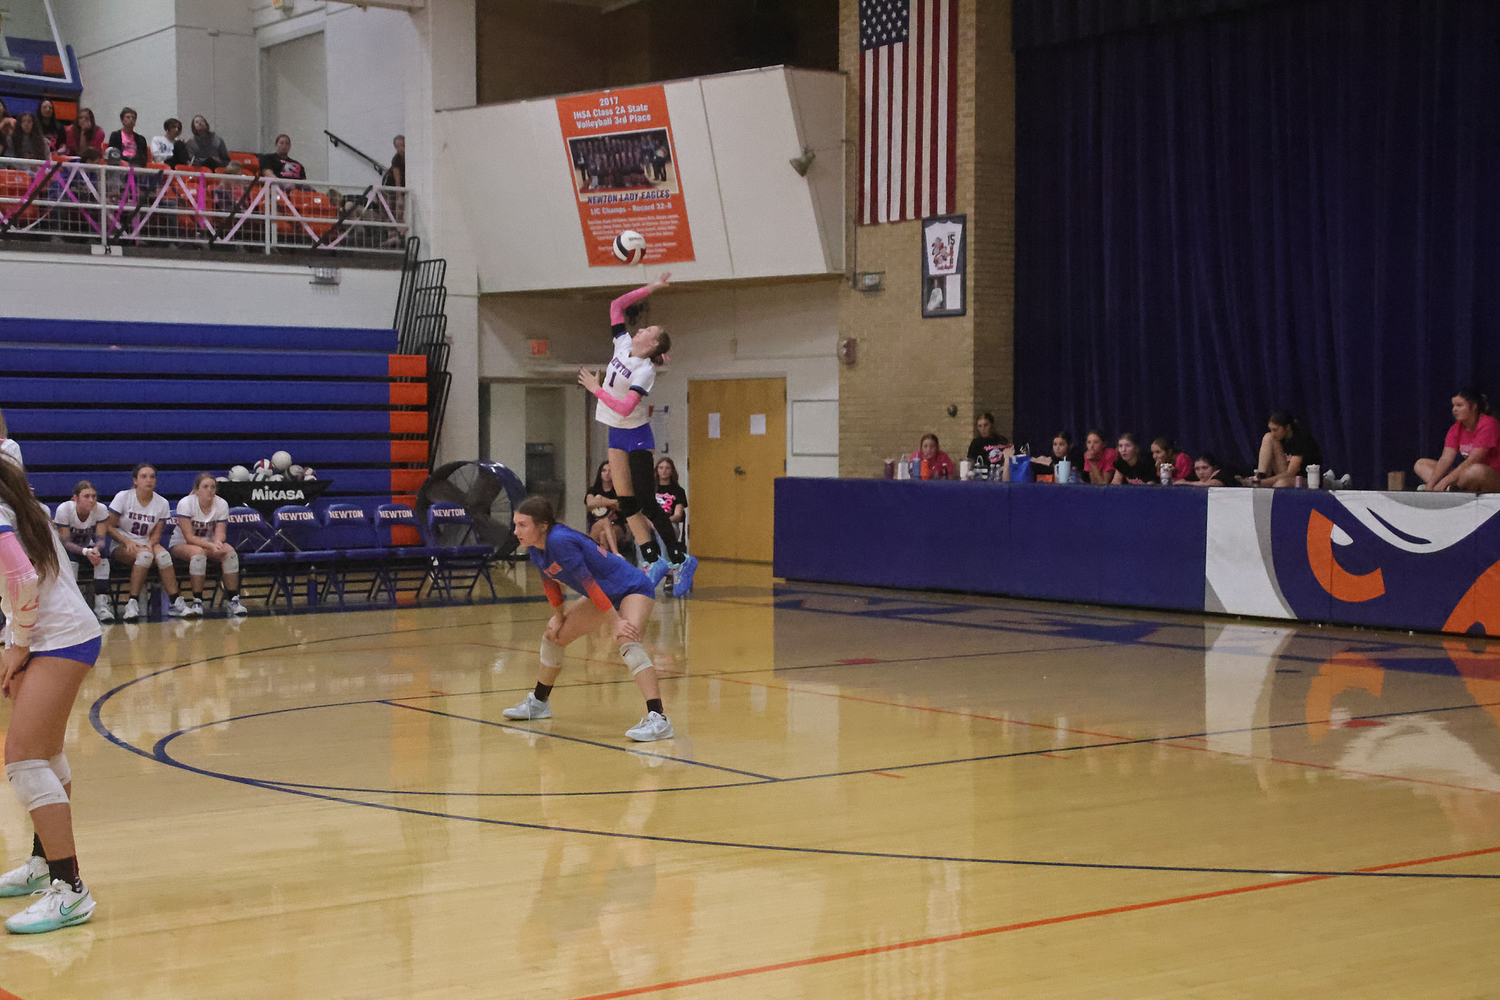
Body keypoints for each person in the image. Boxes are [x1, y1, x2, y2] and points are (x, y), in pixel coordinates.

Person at [0, 454, 102, 933]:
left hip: (58, 639)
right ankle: (45, 866)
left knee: (22, 760)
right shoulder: (19, 504)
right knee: (45, 754)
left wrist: (18, 645)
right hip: (56, 634)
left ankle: (70, 889)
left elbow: (22, 579)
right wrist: (13, 642)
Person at [502, 496, 674, 742]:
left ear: (542, 526)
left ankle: (658, 719)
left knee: (627, 639)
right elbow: (550, 583)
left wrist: (616, 622)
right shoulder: (535, 548)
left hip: (632, 587)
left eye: (522, 525)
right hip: (603, 594)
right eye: (515, 525)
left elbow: (589, 583)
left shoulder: (559, 541)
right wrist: (559, 617)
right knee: (553, 637)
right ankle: (539, 703)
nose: (516, 531)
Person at [577, 273, 698, 597]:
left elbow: (626, 406)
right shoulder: (623, 344)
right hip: (615, 432)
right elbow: (616, 305)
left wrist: (595, 389)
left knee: (646, 501)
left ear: (654, 344)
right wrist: (652, 287)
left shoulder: (645, 371)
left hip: (637, 435)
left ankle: (682, 559)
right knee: (627, 502)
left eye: (647, 330)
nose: (640, 329)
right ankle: (652, 559)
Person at [105, 463, 187, 621]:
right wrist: (126, 541)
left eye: (152, 477)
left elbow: (157, 532)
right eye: (144, 476)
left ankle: (175, 602)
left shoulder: (162, 503)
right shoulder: (123, 497)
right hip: (122, 544)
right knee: (145, 556)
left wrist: (150, 545)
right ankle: (132, 603)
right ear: (135, 480)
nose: (149, 480)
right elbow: (108, 526)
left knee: (164, 556)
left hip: (146, 542)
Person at [168, 473, 247, 617]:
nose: (210, 490)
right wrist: (210, 546)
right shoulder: (186, 503)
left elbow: (221, 532)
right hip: (181, 543)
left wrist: (217, 543)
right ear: (197, 490)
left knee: (229, 552)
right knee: (198, 554)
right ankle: (197, 601)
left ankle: (233, 600)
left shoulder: (221, 503)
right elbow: (188, 537)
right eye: (205, 487)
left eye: (213, 487)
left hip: (207, 543)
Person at [1414, 387, 1500, 494]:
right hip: (1467, 475)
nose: (1454, 410)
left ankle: (1450, 488)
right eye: (1453, 405)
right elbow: (1445, 459)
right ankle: (1451, 489)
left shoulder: (1489, 424)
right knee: (1421, 464)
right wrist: (1430, 486)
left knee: (1476, 470)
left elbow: (1473, 460)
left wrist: (1444, 482)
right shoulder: (1456, 428)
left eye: (1459, 405)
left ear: (1473, 407)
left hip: (1492, 477)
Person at [52, 481, 113, 623]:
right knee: (71, 562)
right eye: (86, 496)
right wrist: (86, 552)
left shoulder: (100, 509)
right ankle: (72, 607)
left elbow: (101, 539)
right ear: (75, 498)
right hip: (65, 551)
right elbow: (66, 543)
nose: (91, 500)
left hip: (87, 548)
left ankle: (101, 605)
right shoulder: (64, 509)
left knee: (103, 559)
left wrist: (96, 550)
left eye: (94, 496)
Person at [1255, 411, 1322, 488]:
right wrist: (1260, 480)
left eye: (1276, 430)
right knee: (1268, 437)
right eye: (1271, 430)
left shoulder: (1301, 438)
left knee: (1281, 483)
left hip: (1305, 478)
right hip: (1285, 474)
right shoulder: (1278, 438)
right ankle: (1260, 475)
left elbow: (1291, 473)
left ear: (1287, 427)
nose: (1273, 433)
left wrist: (1264, 482)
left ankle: (1260, 482)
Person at [653, 457, 688, 578]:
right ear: (657, 470)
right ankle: (643, 569)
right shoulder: (650, 489)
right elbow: (643, 512)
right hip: (650, 522)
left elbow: (677, 515)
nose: (664, 471)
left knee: (665, 531)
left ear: (672, 471)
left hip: (669, 522)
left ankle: (667, 569)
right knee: (640, 532)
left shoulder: (678, 491)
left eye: (667, 468)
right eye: (661, 468)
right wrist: (653, 523)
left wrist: (662, 522)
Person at [586, 460, 629, 557]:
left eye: (610, 471)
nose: (607, 473)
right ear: (600, 473)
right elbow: (590, 503)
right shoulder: (593, 489)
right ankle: (616, 554)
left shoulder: (619, 491)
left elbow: (624, 505)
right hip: (596, 526)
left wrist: (603, 500)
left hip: (617, 526)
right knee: (605, 521)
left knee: (603, 535)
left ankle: (605, 561)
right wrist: (612, 502)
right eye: (604, 470)